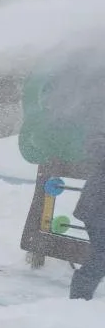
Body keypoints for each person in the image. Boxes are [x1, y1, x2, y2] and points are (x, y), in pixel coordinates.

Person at [70, 126, 104, 300]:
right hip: (97, 206)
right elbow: (94, 144)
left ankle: (79, 298)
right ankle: (79, 299)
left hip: (96, 204)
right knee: (101, 255)